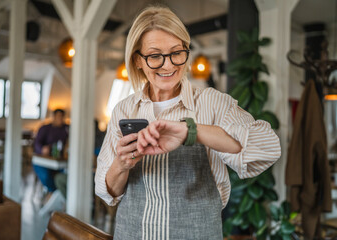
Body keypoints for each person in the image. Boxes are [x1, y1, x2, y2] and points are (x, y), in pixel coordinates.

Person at [95, 5, 281, 239]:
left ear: (186, 51)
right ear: (138, 60)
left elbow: (267, 147)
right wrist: (121, 164)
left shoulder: (211, 103)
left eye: (176, 52)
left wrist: (191, 131)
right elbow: (108, 192)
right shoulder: (124, 109)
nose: (169, 65)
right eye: (155, 56)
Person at [34, 109, 69, 193]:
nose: (60, 119)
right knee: (46, 176)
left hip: (59, 160)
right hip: (42, 160)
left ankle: (57, 193)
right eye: (58, 116)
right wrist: (42, 149)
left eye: (61, 117)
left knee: (65, 174)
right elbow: (37, 143)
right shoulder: (45, 128)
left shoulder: (66, 128)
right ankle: (52, 192)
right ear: (53, 117)